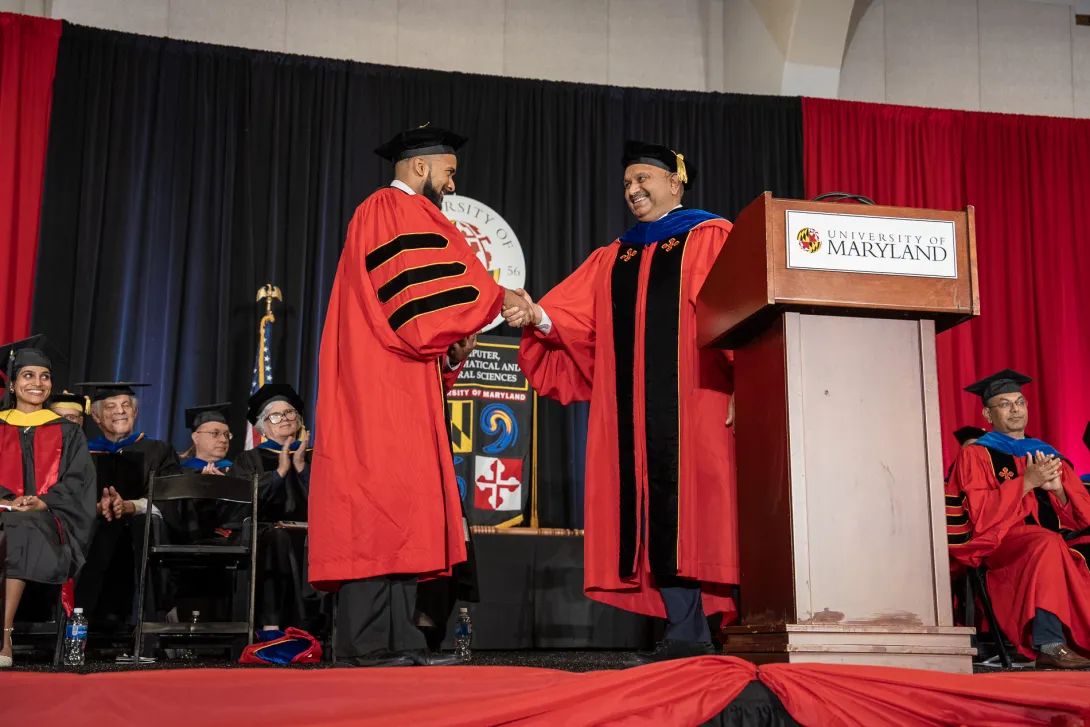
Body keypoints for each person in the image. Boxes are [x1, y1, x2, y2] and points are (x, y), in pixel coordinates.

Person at [309, 125, 532, 668]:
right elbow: (419, 297)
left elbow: (416, 314)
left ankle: (399, 643)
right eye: (448, 172)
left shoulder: (400, 212)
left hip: (403, 380)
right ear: (419, 167)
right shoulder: (388, 209)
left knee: (402, 508)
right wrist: (496, 297)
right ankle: (364, 645)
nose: (453, 184)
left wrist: (452, 352)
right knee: (375, 508)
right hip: (377, 388)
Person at [511, 140, 737, 664]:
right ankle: (687, 630)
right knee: (653, 509)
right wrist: (536, 316)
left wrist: (747, 385)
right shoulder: (617, 255)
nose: (633, 190)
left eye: (644, 179)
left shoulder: (711, 237)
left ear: (675, 183)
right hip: (636, 417)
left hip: (701, 402)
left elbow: (737, 315)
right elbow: (575, 320)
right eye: (627, 183)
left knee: (705, 509)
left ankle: (729, 626)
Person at [946, 369, 1090, 668]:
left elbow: (1083, 516)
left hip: (1049, 540)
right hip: (998, 543)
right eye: (1004, 404)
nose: (1015, 409)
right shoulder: (976, 455)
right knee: (1046, 542)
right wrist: (1026, 482)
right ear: (988, 413)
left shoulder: (1047, 454)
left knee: (1054, 542)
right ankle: (1050, 644)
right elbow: (981, 515)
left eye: (1019, 402)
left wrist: (1059, 490)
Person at [0, 336, 96, 668]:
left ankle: (3, 636)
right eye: (28, 375)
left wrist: (42, 502)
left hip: (49, 520)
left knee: (20, 525)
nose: (38, 383)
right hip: (2, 511)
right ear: (12, 383)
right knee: (11, 522)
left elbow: (79, 481)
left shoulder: (68, 432)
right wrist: (8, 499)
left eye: (45, 376)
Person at [74, 382, 181, 629]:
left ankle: (144, 627)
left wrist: (131, 506)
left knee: (143, 526)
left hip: (142, 533)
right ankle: (80, 628)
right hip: (92, 530)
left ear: (135, 412)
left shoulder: (159, 450)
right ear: (97, 417)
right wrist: (96, 508)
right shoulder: (83, 453)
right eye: (110, 406)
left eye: (126, 405)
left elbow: (171, 503)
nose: (120, 411)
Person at [231, 383, 312, 632]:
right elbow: (241, 501)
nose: (284, 419)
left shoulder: (316, 456)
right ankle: (271, 626)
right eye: (275, 416)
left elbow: (332, 499)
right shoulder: (249, 459)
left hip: (312, 530)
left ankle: (315, 628)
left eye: (289, 413)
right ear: (263, 427)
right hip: (266, 532)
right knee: (277, 538)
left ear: (298, 420)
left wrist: (301, 469)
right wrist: (279, 473)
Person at [180, 403, 233, 473]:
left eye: (226, 435)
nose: (224, 440)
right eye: (215, 433)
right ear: (196, 438)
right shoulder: (180, 473)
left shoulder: (237, 472)